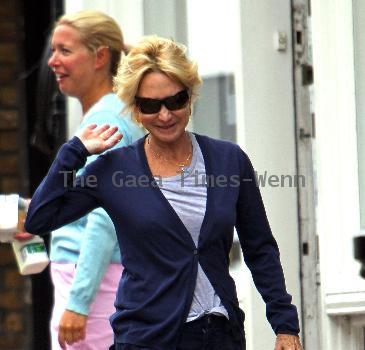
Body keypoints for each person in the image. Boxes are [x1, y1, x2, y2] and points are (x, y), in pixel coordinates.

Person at [25, 35, 303, 350]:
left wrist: (285, 326)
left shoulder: (229, 160)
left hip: (221, 335)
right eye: (150, 105)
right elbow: (39, 218)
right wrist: (73, 152)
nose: (165, 115)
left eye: (175, 101)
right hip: (147, 339)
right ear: (134, 107)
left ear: (190, 95)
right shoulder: (114, 171)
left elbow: (260, 248)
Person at [44, 10, 144, 349]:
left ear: (100, 56)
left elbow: (105, 214)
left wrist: (79, 302)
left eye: (64, 51)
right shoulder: (110, 111)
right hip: (97, 280)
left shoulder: (105, 119)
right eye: (53, 50)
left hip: (94, 287)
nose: (52, 61)